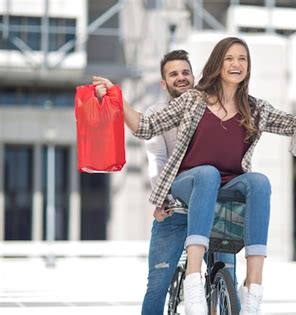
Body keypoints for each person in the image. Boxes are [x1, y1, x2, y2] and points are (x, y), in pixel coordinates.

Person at [94, 36, 296, 315]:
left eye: (242, 59)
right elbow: (146, 127)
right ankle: (193, 280)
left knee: (259, 181)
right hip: (189, 186)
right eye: (229, 58)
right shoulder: (193, 100)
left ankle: (253, 290)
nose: (236, 64)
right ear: (217, 64)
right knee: (206, 175)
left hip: (226, 193)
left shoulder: (255, 109)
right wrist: (117, 97)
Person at [95, 49, 238, 315]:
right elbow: (157, 157)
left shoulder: (213, 109)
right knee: (158, 285)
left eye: (186, 72)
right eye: (174, 74)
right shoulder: (158, 112)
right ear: (164, 83)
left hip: (217, 210)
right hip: (176, 210)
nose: (181, 78)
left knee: (228, 278)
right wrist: (161, 199)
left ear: (194, 77)